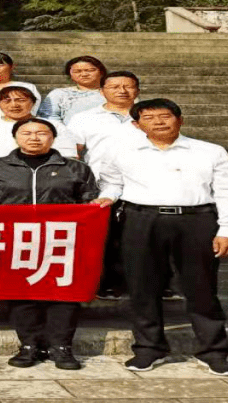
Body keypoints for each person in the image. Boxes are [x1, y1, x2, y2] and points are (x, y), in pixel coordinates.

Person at [97, 98, 228, 377]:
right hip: (141, 220)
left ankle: (213, 352)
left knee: (201, 288)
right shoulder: (121, 150)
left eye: (165, 116)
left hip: (196, 220)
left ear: (180, 120)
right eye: (149, 117)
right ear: (137, 124)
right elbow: (112, 181)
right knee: (142, 287)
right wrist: (107, 196)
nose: (159, 122)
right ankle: (148, 349)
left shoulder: (210, 151)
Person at [0, 118, 99, 371]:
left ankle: (61, 347)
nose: (34, 137)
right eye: (26, 133)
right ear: (15, 137)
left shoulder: (75, 168)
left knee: (64, 293)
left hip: (62, 241)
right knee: (22, 293)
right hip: (15, 240)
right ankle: (29, 345)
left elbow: (90, 203)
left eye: (41, 133)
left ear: (53, 138)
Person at [67, 70, 142, 299]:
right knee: (105, 238)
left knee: (141, 238)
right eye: (114, 86)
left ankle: (147, 283)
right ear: (101, 91)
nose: (122, 91)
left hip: (143, 185)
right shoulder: (84, 118)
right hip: (101, 185)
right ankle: (107, 283)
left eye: (128, 86)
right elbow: (75, 153)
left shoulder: (150, 116)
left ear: (137, 90)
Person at [0, 86, 76, 176]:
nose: (14, 105)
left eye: (21, 100)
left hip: (40, 187)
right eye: (7, 100)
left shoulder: (54, 126)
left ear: (33, 103)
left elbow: (68, 160)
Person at [37, 56, 108, 126]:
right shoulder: (59, 94)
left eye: (90, 70)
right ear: (70, 74)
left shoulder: (112, 93)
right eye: (77, 71)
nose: (84, 74)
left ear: (101, 72)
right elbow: (49, 118)